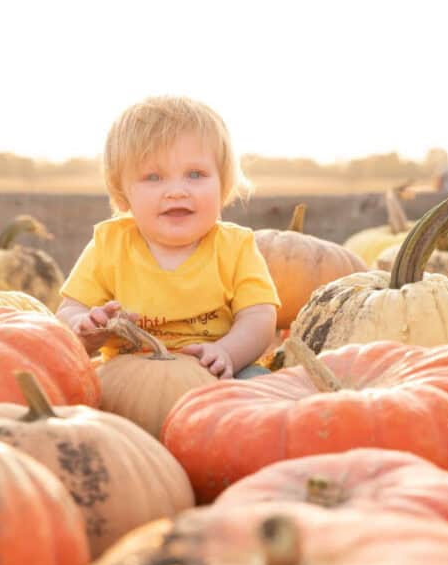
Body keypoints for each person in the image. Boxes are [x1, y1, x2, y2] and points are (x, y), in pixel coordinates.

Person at [56, 95, 280, 379]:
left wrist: (227, 352)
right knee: (76, 388)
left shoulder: (236, 247)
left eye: (195, 174)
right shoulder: (109, 244)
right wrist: (83, 324)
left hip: (215, 373)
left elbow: (259, 317)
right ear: (123, 193)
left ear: (223, 184)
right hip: (126, 378)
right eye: (153, 177)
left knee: (259, 383)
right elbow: (69, 309)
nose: (177, 191)